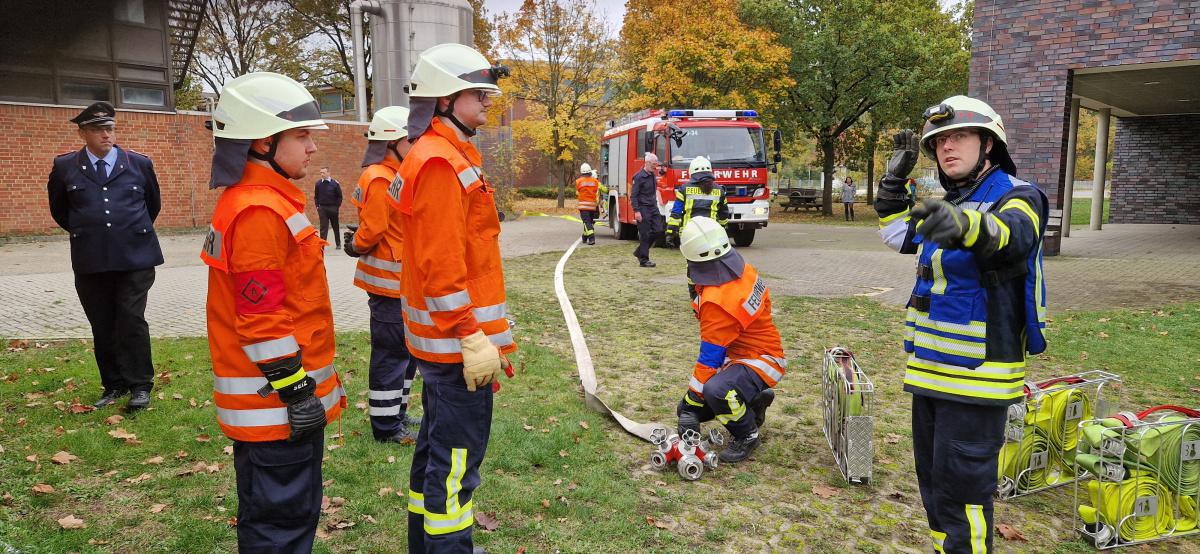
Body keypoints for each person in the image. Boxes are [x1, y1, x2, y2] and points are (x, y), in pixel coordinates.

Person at [873, 95, 1048, 554]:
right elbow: (898, 235)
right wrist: (893, 183)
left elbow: (1011, 238)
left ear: (988, 143)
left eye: (959, 137)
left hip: (978, 381)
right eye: (940, 141)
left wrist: (966, 226)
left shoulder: (1019, 195)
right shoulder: (955, 199)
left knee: (963, 496)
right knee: (934, 490)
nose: (948, 147)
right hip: (931, 374)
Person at [200, 72, 347, 552]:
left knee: (286, 514)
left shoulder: (266, 202)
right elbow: (261, 319)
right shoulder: (259, 211)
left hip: (276, 404)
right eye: (302, 135)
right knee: (280, 524)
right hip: (276, 407)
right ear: (263, 140)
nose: (311, 148)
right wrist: (297, 391)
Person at [397, 43, 516, 553]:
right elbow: (442, 268)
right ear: (446, 99)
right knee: (456, 464)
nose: (488, 101)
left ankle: (426, 546)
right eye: (479, 92)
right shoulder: (440, 163)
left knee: (435, 449)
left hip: (443, 344)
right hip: (455, 345)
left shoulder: (447, 154)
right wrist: (471, 334)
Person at [47, 101, 163, 411]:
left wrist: (126, 232)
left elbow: (153, 205)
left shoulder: (139, 163)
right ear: (83, 132)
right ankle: (114, 384)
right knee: (102, 321)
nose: (106, 135)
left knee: (130, 318)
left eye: (110, 129)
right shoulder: (65, 167)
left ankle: (140, 385)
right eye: (98, 130)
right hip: (91, 258)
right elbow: (60, 211)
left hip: (135, 256)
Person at [674, 217, 784, 463]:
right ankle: (753, 401)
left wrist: (692, 401)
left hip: (761, 359)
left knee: (715, 392)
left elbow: (709, 360)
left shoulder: (718, 303)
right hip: (750, 353)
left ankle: (747, 434)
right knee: (696, 407)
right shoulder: (743, 270)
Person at [343, 106, 419, 444]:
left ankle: (397, 415)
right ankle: (386, 427)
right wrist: (356, 246)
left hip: (400, 284)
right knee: (391, 355)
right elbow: (373, 229)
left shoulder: (392, 174)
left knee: (406, 354)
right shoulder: (379, 178)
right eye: (410, 139)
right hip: (389, 286)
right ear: (392, 141)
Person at [665, 155, 730, 245]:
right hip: (712, 233)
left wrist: (670, 233)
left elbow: (676, 213)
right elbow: (724, 214)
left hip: (689, 234)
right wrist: (722, 229)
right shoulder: (720, 190)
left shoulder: (684, 189)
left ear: (691, 171)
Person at [631, 152, 664, 267]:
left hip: (653, 207)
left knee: (658, 230)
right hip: (643, 208)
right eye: (654, 164)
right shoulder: (638, 177)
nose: (656, 167)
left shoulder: (652, 175)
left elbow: (655, 190)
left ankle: (639, 251)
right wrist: (636, 211)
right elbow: (633, 196)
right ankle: (644, 260)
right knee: (645, 234)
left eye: (656, 164)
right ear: (647, 163)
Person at [574, 162, 606, 245]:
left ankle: (592, 238)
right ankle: (584, 237)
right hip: (592, 206)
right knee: (589, 222)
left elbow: (577, 193)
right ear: (589, 172)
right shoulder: (595, 181)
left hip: (583, 206)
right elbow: (596, 191)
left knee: (587, 222)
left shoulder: (578, 181)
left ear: (581, 172)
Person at [314, 167, 343, 248]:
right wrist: (317, 206)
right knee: (323, 228)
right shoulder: (318, 184)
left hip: (333, 208)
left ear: (328, 173)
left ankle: (338, 243)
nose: (321, 174)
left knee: (335, 226)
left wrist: (336, 207)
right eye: (321, 173)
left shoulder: (335, 184)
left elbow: (339, 196)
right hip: (322, 208)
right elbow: (316, 196)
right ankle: (322, 245)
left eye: (323, 172)